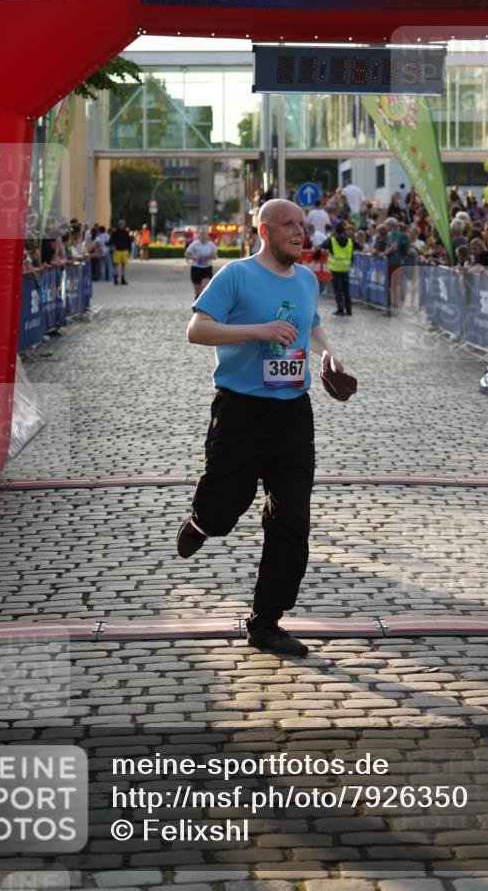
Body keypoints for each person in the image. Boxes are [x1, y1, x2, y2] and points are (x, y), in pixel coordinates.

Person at [176, 199, 345, 657]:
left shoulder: (308, 280)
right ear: (264, 231)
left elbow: (311, 327)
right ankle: (202, 521)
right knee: (224, 506)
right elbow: (197, 330)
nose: (300, 232)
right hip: (240, 410)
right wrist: (258, 330)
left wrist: (327, 353)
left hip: (293, 412)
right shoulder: (236, 275)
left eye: (302, 225)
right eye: (289, 225)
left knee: (292, 520)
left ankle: (266, 621)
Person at [320, 221, 356, 316]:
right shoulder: (349, 241)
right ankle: (349, 310)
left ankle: (340, 310)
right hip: (345, 269)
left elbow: (323, 245)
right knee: (346, 291)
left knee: (338, 291)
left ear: (336, 230)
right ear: (344, 231)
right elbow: (355, 249)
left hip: (336, 270)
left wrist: (332, 235)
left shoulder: (332, 240)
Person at [185, 225, 218, 297]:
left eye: (205, 233)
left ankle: (203, 307)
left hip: (207, 269)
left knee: (204, 289)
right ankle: (196, 306)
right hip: (196, 269)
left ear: (207, 235)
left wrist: (209, 257)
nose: (203, 235)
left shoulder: (211, 245)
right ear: (199, 234)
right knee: (198, 293)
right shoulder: (194, 244)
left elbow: (215, 256)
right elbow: (186, 254)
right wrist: (195, 258)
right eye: (201, 234)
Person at [109, 219, 133, 285]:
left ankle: (123, 278)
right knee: (116, 265)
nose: (122, 225)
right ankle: (115, 278)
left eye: (123, 224)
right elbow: (110, 241)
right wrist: (112, 246)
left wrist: (129, 251)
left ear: (124, 225)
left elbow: (129, 242)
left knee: (123, 265)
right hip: (117, 251)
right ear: (118, 225)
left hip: (124, 251)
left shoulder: (126, 233)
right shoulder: (114, 233)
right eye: (121, 224)